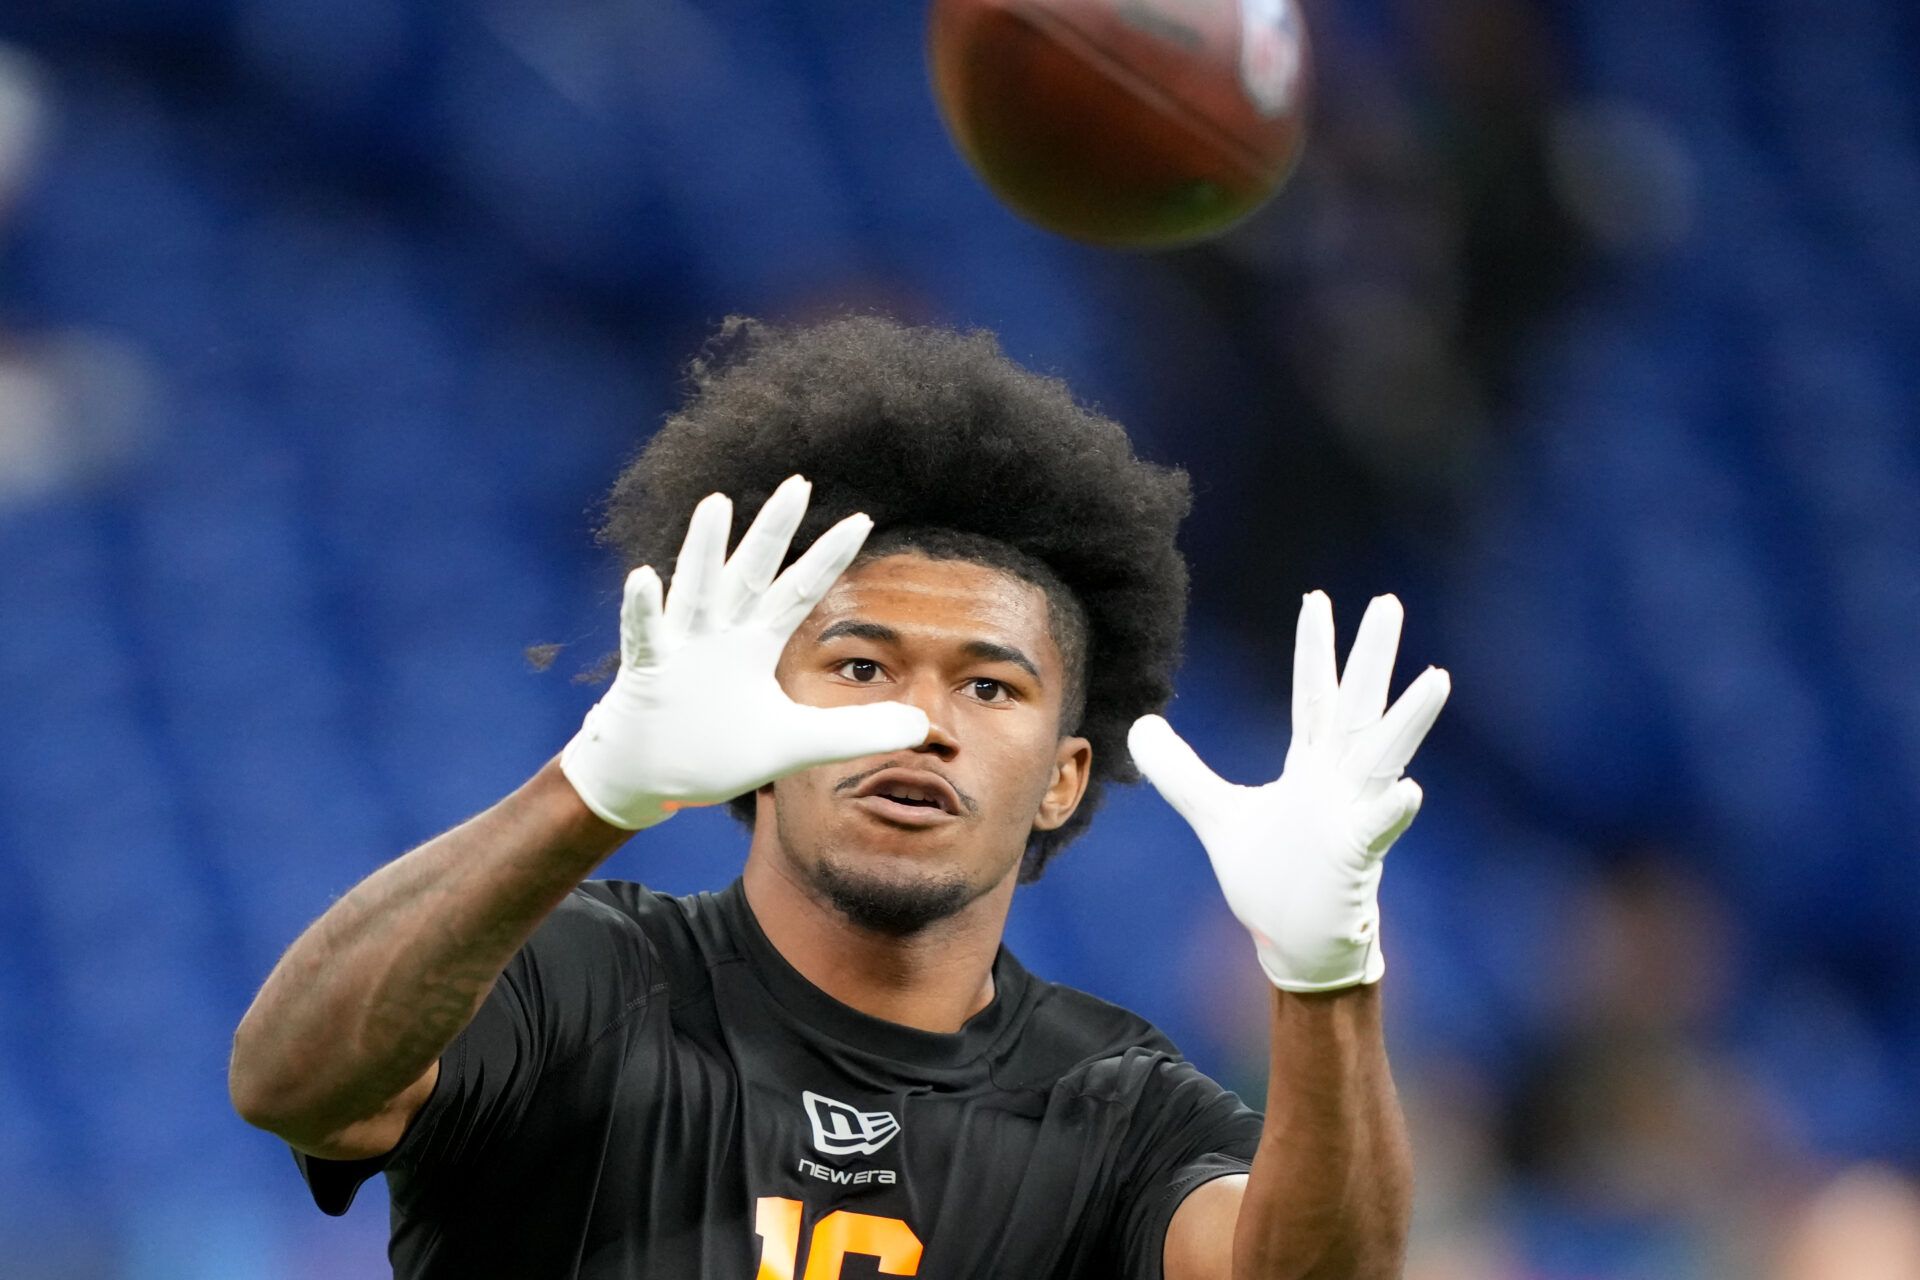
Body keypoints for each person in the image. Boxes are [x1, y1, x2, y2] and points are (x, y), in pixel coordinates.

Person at [229, 316, 1450, 1279]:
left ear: (1063, 778)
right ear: (754, 716)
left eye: (989, 684)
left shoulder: (1118, 1105)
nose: (921, 721)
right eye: (860, 666)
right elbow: (290, 1084)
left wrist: (1327, 978)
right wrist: (589, 787)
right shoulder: (578, 978)